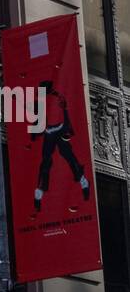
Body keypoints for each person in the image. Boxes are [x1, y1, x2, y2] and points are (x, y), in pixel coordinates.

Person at [34, 80, 90, 212]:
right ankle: (39, 192)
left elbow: (63, 113)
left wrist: (67, 128)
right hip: (51, 132)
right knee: (47, 161)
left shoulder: (56, 97)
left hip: (57, 130)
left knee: (68, 156)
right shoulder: (44, 98)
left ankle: (83, 182)